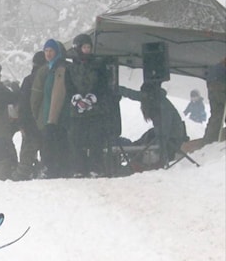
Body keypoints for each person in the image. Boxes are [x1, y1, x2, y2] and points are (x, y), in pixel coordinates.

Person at [66, 33, 110, 177]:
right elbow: (68, 86)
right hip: (76, 110)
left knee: (95, 139)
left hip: (96, 109)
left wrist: (92, 98)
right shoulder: (71, 67)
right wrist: (77, 99)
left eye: (88, 47)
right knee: (76, 140)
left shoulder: (99, 65)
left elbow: (103, 84)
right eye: (84, 47)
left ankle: (95, 167)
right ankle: (79, 168)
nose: (86, 50)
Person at [120, 81, 188, 168]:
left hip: (172, 139)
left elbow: (164, 131)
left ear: (149, 95)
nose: (142, 98)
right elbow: (133, 94)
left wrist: (158, 152)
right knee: (139, 143)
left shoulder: (163, 106)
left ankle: (139, 164)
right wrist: (118, 89)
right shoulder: (151, 98)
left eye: (144, 95)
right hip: (160, 134)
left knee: (146, 148)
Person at [36, 39, 71, 178]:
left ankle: (55, 170)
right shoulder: (50, 68)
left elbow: (58, 94)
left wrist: (51, 118)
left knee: (55, 143)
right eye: (46, 51)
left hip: (57, 116)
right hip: (51, 114)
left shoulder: (59, 69)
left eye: (51, 51)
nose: (48, 54)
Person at [11, 51, 46, 181]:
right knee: (46, 150)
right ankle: (43, 170)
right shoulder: (49, 77)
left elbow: (23, 103)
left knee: (27, 152)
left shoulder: (29, 79)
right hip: (45, 120)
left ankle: (22, 174)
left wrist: (22, 123)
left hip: (30, 121)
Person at [202, 57, 225, 145]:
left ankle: (209, 140)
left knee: (217, 115)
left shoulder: (217, 68)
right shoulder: (221, 68)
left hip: (214, 86)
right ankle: (210, 140)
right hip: (220, 85)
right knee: (218, 114)